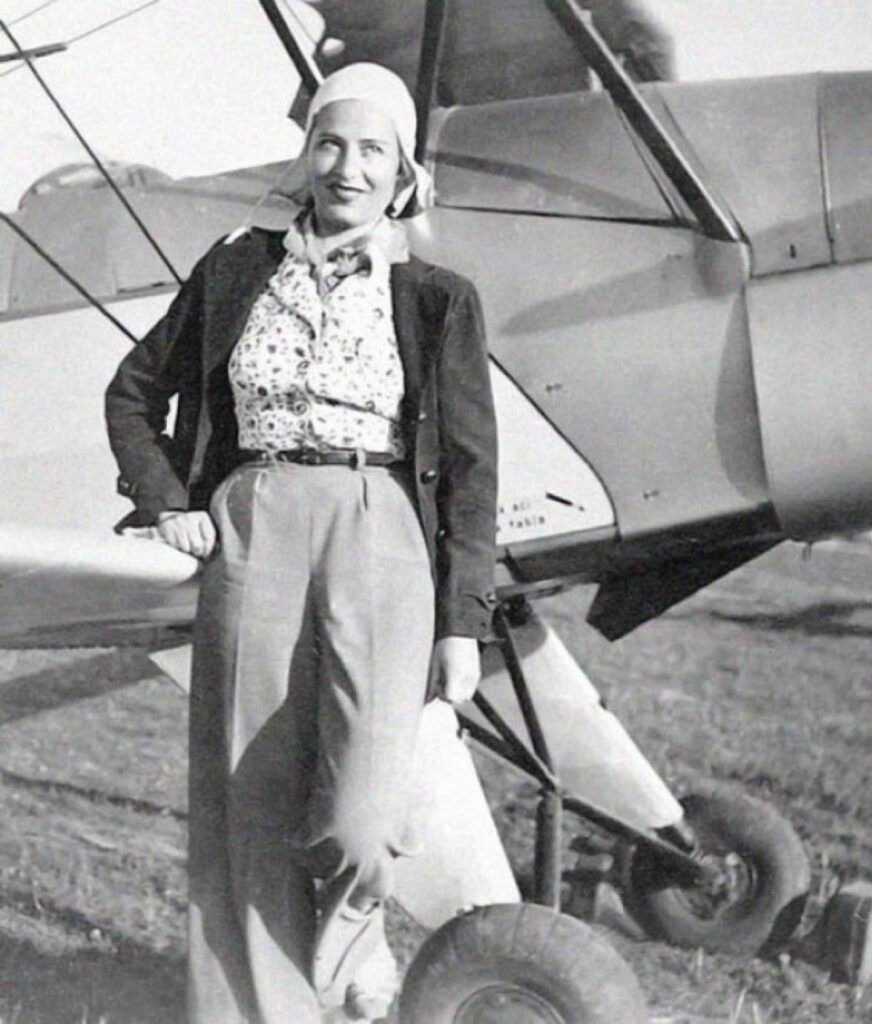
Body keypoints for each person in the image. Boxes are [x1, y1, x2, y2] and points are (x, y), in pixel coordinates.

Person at [105, 62, 498, 1024]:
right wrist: (167, 501)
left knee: (364, 813)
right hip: (254, 520)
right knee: (248, 804)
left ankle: (352, 934)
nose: (347, 168)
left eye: (372, 150)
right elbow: (133, 393)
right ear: (306, 154)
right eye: (330, 143)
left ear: (402, 170)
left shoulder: (437, 297)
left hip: (381, 525)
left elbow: (473, 471)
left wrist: (463, 623)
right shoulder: (236, 268)